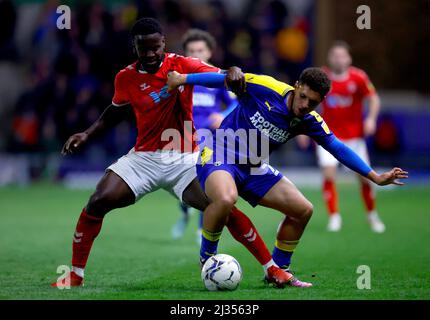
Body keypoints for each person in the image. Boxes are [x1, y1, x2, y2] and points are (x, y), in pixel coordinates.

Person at [51, 18, 295, 288]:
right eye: (144, 49)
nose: (151, 54)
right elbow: (116, 111)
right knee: (98, 201)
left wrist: (234, 70)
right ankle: (74, 276)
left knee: (223, 206)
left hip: (185, 158)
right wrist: (87, 133)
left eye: (156, 47)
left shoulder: (181, 65)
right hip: (143, 158)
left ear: (163, 43)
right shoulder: (126, 77)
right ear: (135, 47)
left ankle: (272, 268)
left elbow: (220, 75)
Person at [167, 67, 408, 286]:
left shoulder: (309, 120)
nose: (305, 105)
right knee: (226, 198)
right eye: (303, 97)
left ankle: (278, 269)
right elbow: (224, 80)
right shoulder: (266, 86)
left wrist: (374, 176)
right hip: (219, 152)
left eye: (312, 103)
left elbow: (338, 148)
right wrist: (183, 79)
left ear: (320, 102)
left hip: (254, 166)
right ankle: (207, 259)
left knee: (303, 210)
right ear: (297, 86)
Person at [299, 41, 384, 233]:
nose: (338, 59)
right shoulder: (322, 77)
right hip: (327, 136)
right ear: (330, 58)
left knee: (365, 178)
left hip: (355, 138)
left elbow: (374, 98)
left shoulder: (358, 77)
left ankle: (372, 216)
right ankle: (334, 217)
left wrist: (371, 119)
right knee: (329, 174)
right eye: (335, 55)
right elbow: (306, 100)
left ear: (349, 58)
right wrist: (302, 129)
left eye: (342, 55)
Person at [171, 29, 237, 242]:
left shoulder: (217, 79)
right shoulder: (180, 78)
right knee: (182, 188)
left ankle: (202, 229)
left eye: (200, 50)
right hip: (181, 138)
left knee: (205, 184)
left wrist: (222, 114)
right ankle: (183, 213)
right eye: (191, 50)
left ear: (210, 52)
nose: (196, 54)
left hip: (209, 140)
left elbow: (236, 103)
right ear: (185, 54)